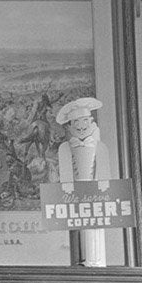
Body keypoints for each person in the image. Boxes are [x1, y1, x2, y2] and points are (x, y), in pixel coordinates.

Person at [55, 96, 111, 267]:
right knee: (76, 231)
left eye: (85, 121)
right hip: (74, 196)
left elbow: (104, 171)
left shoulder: (100, 147)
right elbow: (65, 171)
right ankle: (78, 261)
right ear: (70, 126)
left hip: (95, 196)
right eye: (76, 123)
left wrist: (103, 189)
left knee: (95, 231)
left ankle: (96, 261)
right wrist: (67, 190)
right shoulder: (65, 148)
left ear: (91, 122)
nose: (81, 126)